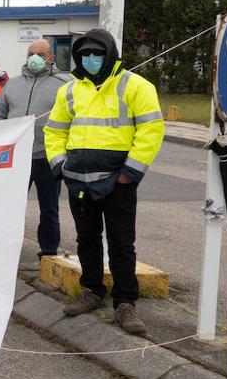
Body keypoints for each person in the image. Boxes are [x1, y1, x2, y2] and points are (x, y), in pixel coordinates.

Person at [45, 27, 163, 334]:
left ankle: (125, 303)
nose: (91, 59)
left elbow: (151, 130)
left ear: (109, 54)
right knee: (87, 239)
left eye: (97, 54)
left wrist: (129, 173)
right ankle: (92, 291)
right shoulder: (70, 90)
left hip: (118, 181)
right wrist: (60, 166)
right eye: (85, 55)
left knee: (122, 243)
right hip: (79, 182)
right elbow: (54, 130)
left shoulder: (135, 85)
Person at [0, 40, 71, 257]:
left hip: (47, 156)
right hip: (16, 157)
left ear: (51, 58)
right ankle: (5, 247)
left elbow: (74, 117)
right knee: (9, 205)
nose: (35, 58)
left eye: (41, 54)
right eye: (31, 54)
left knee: (49, 208)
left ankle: (48, 250)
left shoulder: (64, 84)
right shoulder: (13, 84)